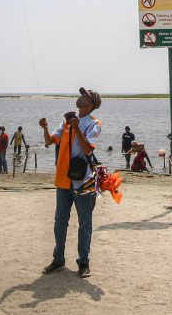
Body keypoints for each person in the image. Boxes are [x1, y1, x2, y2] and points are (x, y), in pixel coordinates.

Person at [39, 87, 102, 278]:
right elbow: (51, 141)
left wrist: (76, 128)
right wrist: (45, 128)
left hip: (83, 181)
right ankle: (58, 260)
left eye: (85, 96)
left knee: (85, 223)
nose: (80, 97)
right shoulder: (67, 121)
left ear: (90, 105)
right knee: (60, 222)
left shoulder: (93, 123)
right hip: (63, 180)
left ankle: (83, 262)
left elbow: (87, 150)